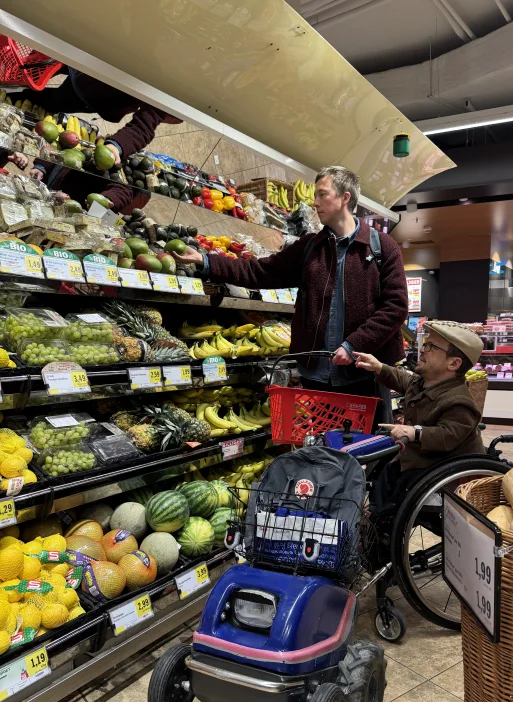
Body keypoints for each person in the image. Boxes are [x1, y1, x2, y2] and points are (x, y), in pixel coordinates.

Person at [173, 165, 408, 419]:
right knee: (322, 452)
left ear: (345, 198)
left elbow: (395, 307)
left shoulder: (381, 247)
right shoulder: (309, 248)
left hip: (364, 374)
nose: (315, 202)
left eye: (322, 194)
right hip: (317, 375)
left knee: (369, 449)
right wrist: (206, 261)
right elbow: (261, 271)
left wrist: (354, 344)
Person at [354, 320, 485, 518]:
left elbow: (447, 435)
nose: (423, 350)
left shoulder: (459, 401)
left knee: (395, 491)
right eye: (425, 343)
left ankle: (384, 527)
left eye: (431, 346)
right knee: (383, 476)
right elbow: (403, 379)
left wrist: (415, 432)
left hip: (443, 469)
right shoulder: (424, 382)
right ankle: (376, 523)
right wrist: (379, 367)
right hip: (421, 460)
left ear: (454, 363)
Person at [18, 68, 181, 167]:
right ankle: (15, 98)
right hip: (92, 89)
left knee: (39, 88)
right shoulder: (170, 94)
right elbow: (143, 127)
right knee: (45, 101)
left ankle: (17, 92)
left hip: (89, 69)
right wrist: (117, 146)